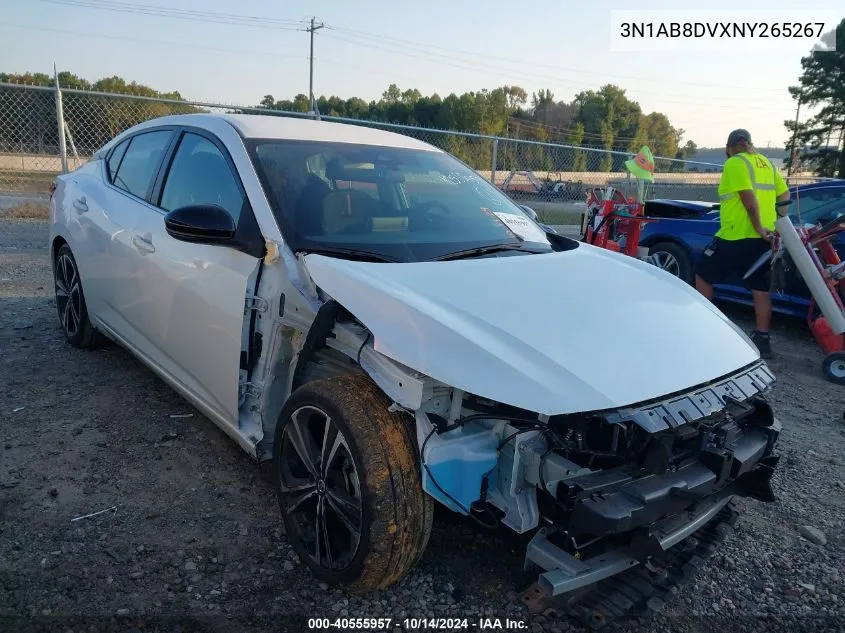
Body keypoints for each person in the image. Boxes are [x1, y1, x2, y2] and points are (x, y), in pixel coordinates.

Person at [695, 129, 790, 358]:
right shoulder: (766, 163)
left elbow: (749, 201)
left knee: (702, 273)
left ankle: (706, 325)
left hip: (735, 236)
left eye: (727, 151)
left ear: (734, 145)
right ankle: (763, 339)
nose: (727, 155)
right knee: (760, 288)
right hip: (763, 240)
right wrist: (776, 224)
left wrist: (757, 226)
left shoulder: (736, 163)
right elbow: (784, 195)